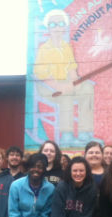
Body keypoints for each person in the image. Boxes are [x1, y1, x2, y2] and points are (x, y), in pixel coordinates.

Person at [34, 9, 96, 148]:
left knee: (87, 88)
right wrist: (60, 86)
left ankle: (84, 133)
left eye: (61, 23)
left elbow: (72, 69)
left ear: (64, 27)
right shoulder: (44, 48)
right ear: (48, 28)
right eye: (53, 24)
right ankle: (67, 135)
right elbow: (41, 73)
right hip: (47, 86)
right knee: (66, 96)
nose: (57, 27)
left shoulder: (67, 47)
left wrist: (76, 83)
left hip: (66, 83)